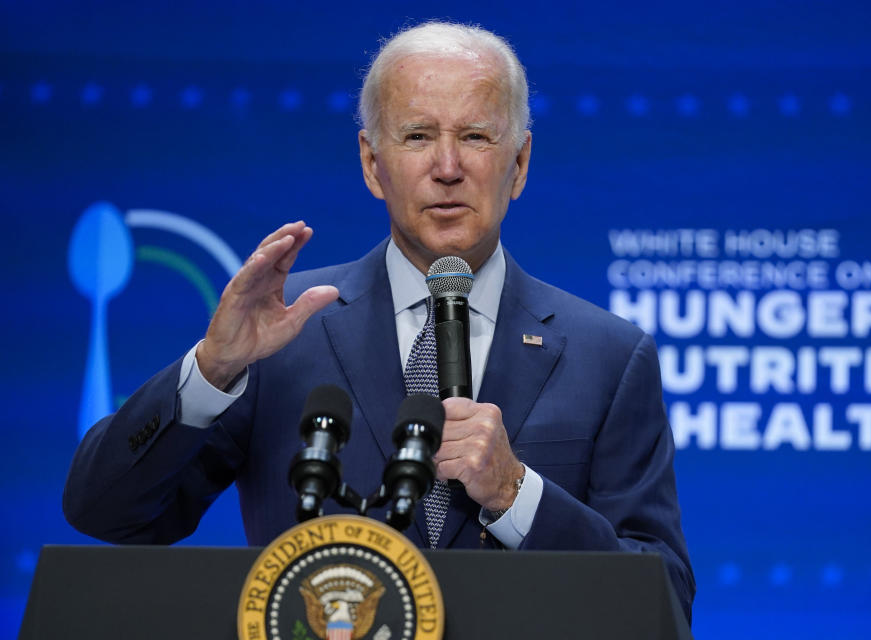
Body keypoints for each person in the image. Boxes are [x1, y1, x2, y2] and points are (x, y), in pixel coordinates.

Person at [63, 21, 695, 619]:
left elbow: (661, 599)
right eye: (418, 136)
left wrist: (515, 494)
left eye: (475, 136)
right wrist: (212, 368)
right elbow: (109, 514)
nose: (447, 167)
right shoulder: (282, 331)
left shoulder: (609, 356)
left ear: (520, 164)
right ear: (372, 164)